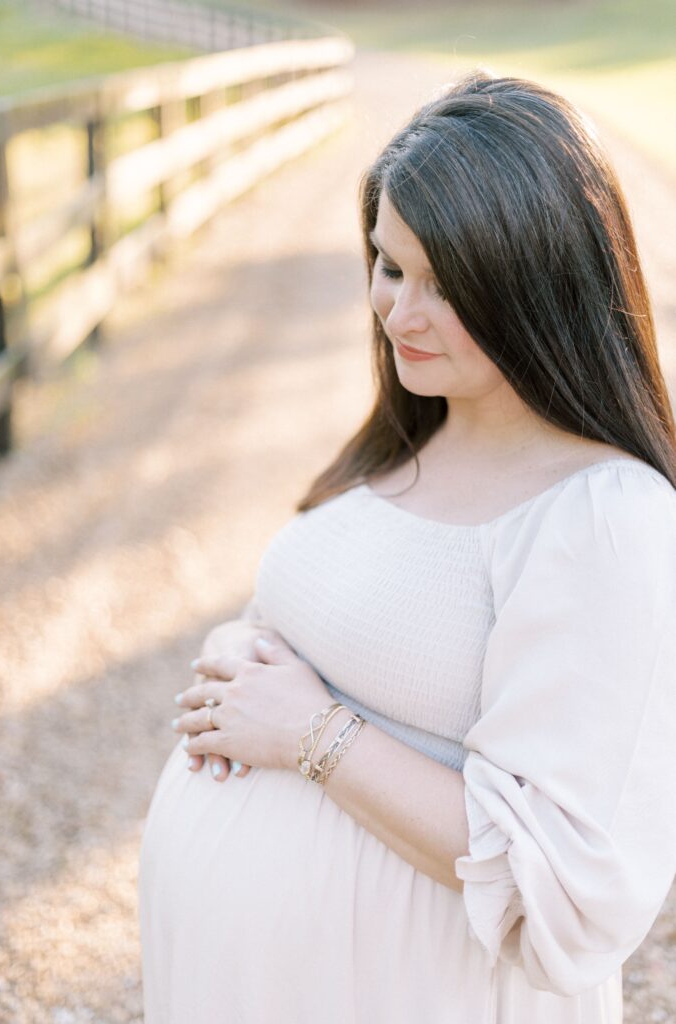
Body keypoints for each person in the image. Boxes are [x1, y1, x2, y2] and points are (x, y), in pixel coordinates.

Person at [137, 69, 676, 1023]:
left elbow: (558, 882)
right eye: (389, 266)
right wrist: (241, 655)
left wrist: (309, 735)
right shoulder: (415, 433)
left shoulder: (602, 518)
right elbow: (351, 623)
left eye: (445, 286)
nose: (398, 315)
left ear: (539, 287)